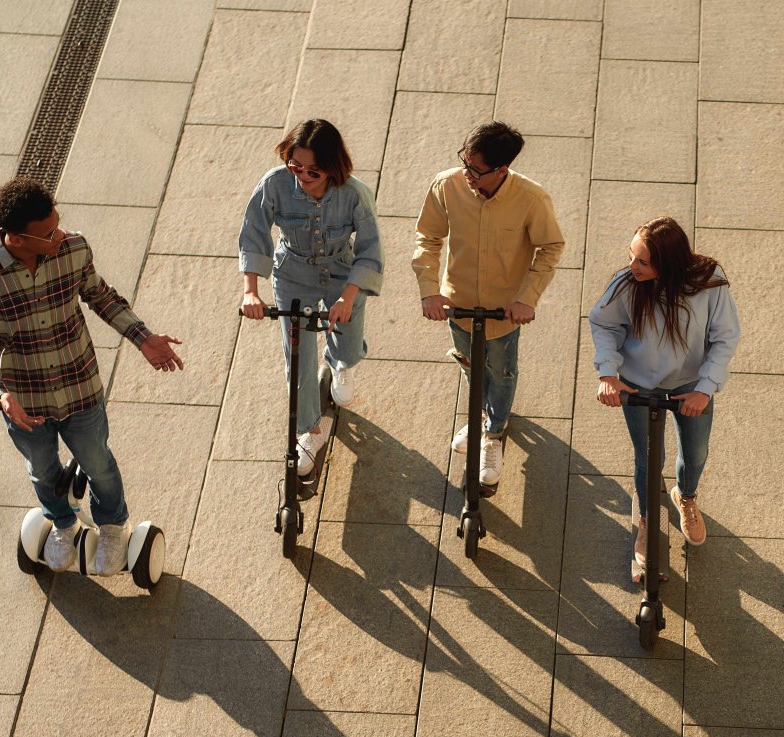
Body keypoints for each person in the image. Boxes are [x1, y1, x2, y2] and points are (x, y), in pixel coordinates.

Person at [0, 177, 184, 575]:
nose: (60, 235)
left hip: (80, 385)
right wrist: (0, 395)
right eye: (48, 233)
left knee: (98, 461)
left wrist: (142, 338)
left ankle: (113, 525)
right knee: (41, 470)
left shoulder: (73, 248)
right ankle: (63, 522)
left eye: (58, 224)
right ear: (17, 238)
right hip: (26, 401)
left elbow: (101, 296)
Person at [414, 121, 565, 485]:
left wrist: (526, 299)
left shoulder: (532, 198)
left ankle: (494, 432)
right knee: (469, 364)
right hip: (458, 304)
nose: (466, 174)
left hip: (503, 312)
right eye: (464, 162)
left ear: (502, 169)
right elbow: (428, 237)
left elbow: (551, 248)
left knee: (501, 371)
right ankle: (483, 413)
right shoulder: (446, 186)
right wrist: (430, 290)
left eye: (475, 170)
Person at [591, 217, 740, 582]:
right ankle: (647, 521)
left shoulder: (708, 281)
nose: (632, 266)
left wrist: (706, 388)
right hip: (637, 387)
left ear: (669, 263)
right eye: (632, 256)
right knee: (647, 457)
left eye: (642, 261)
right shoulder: (628, 283)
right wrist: (608, 374)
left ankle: (685, 496)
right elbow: (603, 323)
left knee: (696, 454)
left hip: (690, 387)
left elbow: (725, 337)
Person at [240, 119, 383, 475]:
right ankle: (311, 431)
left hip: (341, 270)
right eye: (295, 166)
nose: (302, 174)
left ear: (333, 165)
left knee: (348, 344)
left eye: (313, 169)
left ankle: (340, 364)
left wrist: (348, 297)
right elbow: (254, 233)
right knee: (299, 359)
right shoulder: (274, 184)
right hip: (293, 273)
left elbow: (369, 250)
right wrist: (251, 292)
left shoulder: (354, 194)